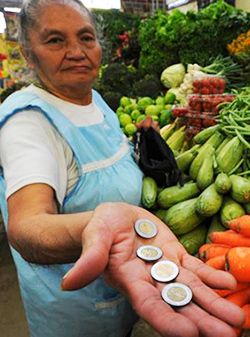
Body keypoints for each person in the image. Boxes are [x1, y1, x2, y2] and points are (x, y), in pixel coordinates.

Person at [0, 1, 244, 337]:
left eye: (86, 37)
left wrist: (141, 142)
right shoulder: (28, 124)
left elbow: (101, 158)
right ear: (29, 54)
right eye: (55, 40)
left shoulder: (91, 97)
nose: (76, 51)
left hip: (131, 281)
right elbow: (27, 227)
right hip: (77, 313)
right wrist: (97, 227)